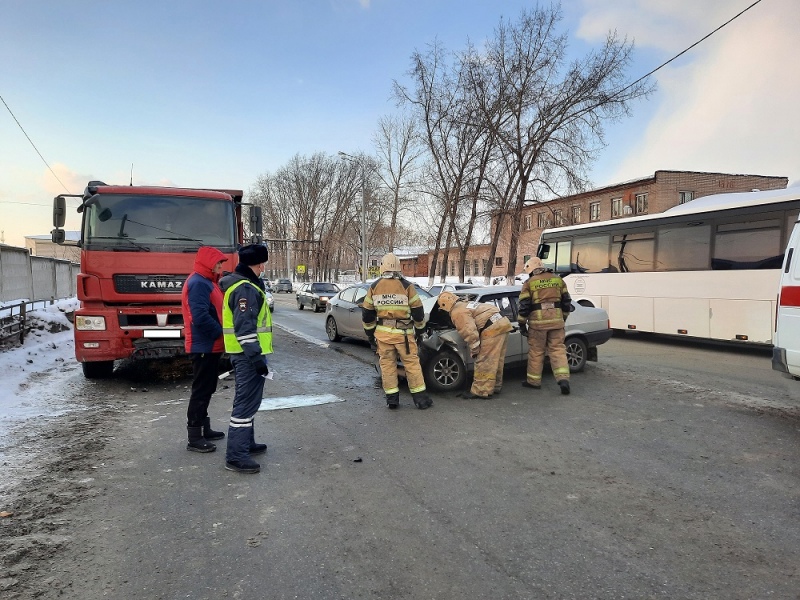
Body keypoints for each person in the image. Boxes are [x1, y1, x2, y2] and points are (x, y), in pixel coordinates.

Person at [219, 244, 272, 473]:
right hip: (247, 356)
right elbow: (245, 328)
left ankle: (246, 444)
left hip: (244, 354)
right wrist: (256, 358)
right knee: (244, 404)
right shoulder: (245, 289)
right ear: (258, 264)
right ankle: (236, 455)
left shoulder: (242, 285)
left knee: (249, 401)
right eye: (263, 264)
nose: (263, 268)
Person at [362, 253, 433, 410]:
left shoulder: (374, 287)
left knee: (387, 366)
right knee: (412, 365)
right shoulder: (407, 286)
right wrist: (420, 331)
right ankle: (420, 400)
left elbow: (367, 315)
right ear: (398, 267)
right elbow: (418, 312)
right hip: (404, 336)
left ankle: (392, 400)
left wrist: (370, 335)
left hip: (383, 336)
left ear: (383, 267)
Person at [181, 246, 228, 453]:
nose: (220, 267)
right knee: (201, 390)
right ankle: (195, 436)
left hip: (210, 345)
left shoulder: (207, 282)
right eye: (218, 263)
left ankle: (204, 428)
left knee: (208, 388)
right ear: (209, 263)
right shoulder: (199, 283)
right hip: (203, 345)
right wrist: (221, 333)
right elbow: (199, 316)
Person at [436, 291, 513, 399]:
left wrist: (475, 348)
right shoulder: (465, 304)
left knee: (484, 361)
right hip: (502, 323)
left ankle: (480, 391)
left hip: (491, 329)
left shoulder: (457, 312)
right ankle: (494, 386)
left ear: (445, 306)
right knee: (496, 360)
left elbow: (469, 331)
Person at [517, 257, 573, 395]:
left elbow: (524, 306)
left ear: (530, 270)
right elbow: (566, 302)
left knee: (536, 352)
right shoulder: (558, 280)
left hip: (538, 326)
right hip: (557, 323)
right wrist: (563, 318)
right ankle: (563, 380)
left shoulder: (529, 283)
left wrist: (522, 324)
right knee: (558, 350)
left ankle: (533, 381)